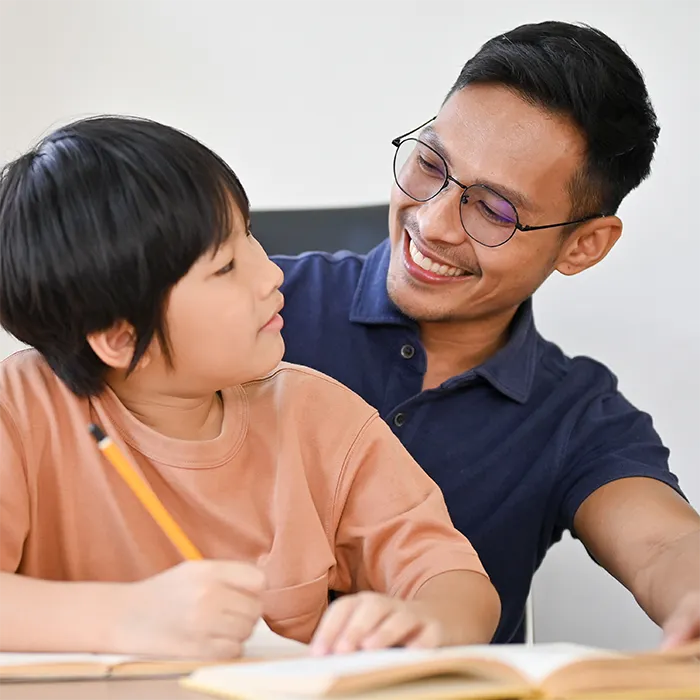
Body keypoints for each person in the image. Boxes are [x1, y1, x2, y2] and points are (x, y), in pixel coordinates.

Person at [0, 116, 500, 658]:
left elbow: (456, 582)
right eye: (225, 267)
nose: (270, 275)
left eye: (250, 236)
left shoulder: (318, 415)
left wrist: (423, 621)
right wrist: (125, 619)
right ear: (121, 339)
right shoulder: (20, 409)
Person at [274, 20, 700, 647]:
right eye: (429, 164)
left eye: (494, 210)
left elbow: (665, 542)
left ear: (582, 245)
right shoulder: (255, 306)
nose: (434, 221)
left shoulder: (574, 413)